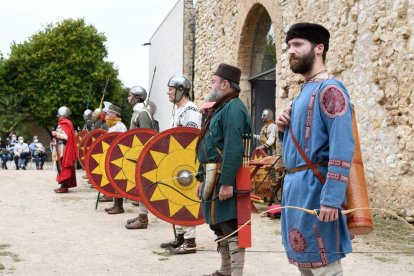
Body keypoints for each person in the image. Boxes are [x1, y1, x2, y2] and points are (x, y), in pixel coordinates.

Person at [276, 23, 354, 274]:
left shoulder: (330, 89)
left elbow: (342, 145)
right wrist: (282, 128)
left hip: (317, 191)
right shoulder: (302, 92)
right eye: (289, 46)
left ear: (319, 48)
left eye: (298, 44)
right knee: (306, 266)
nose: (291, 51)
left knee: (325, 267)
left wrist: (332, 198)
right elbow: (298, 149)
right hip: (296, 189)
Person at [196, 63, 252, 275]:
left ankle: (235, 273)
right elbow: (207, 146)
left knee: (231, 226)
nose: (210, 85)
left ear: (225, 84)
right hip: (213, 176)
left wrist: (227, 182)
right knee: (218, 225)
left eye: (213, 81)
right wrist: (201, 177)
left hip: (225, 178)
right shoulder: (221, 107)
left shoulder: (234, 108)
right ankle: (225, 269)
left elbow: (233, 148)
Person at [159, 75, 202, 254]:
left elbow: (190, 138)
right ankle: (179, 238)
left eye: (171, 88)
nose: (168, 91)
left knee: (185, 199)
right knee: (174, 198)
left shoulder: (190, 110)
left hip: (187, 164)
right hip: (175, 162)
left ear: (181, 90)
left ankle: (190, 241)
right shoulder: (178, 110)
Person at [124, 86, 155, 229]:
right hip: (137, 154)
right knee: (139, 184)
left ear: (137, 97)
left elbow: (146, 136)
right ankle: (141, 214)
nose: (128, 98)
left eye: (130, 95)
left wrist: (142, 156)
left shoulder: (142, 113)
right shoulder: (138, 112)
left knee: (143, 185)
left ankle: (143, 219)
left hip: (143, 154)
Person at [102, 104, 128, 214]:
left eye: (108, 114)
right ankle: (115, 205)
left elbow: (121, 143)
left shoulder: (120, 126)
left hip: (118, 157)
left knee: (118, 182)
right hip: (111, 157)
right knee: (113, 182)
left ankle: (119, 207)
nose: (106, 116)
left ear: (114, 115)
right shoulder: (112, 126)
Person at [52, 106, 78, 193]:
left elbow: (66, 137)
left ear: (62, 115)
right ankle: (62, 185)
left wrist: (56, 134)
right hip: (59, 147)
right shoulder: (62, 123)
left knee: (64, 167)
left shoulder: (66, 123)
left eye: (59, 115)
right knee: (60, 166)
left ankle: (64, 187)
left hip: (64, 148)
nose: (58, 116)